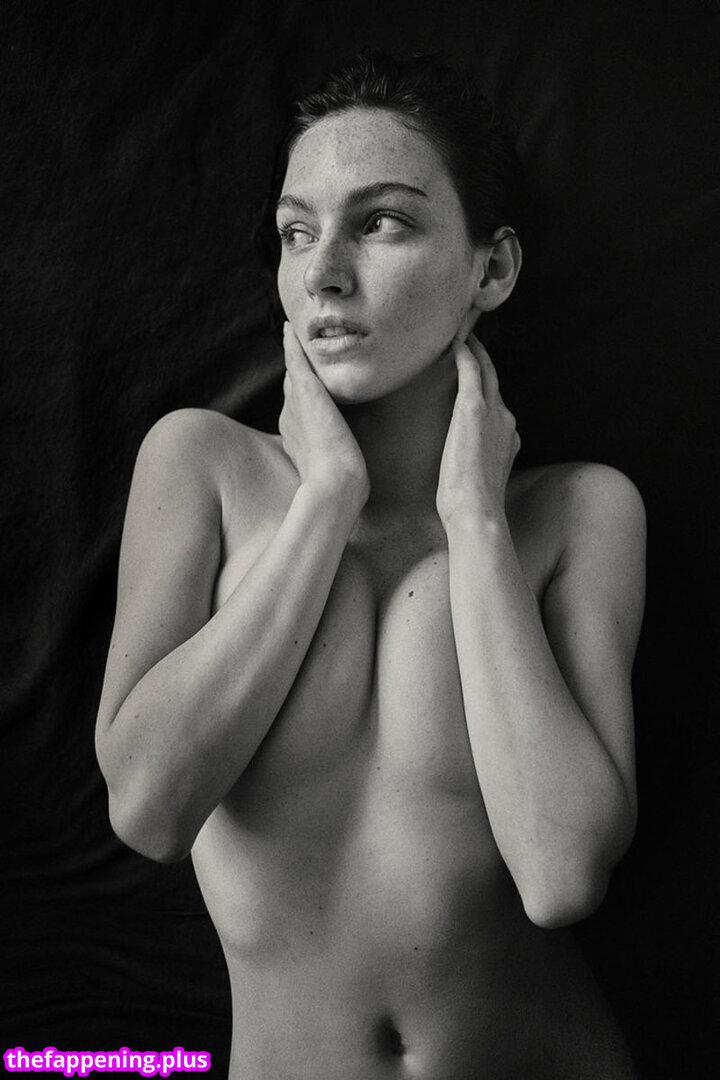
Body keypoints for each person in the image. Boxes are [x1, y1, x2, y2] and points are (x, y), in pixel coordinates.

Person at [95, 50, 645, 1079]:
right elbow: (150, 810)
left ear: (491, 270)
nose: (323, 272)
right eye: (297, 231)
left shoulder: (581, 513)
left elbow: (561, 874)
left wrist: (474, 519)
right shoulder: (201, 466)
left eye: (381, 222)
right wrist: (325, 501)